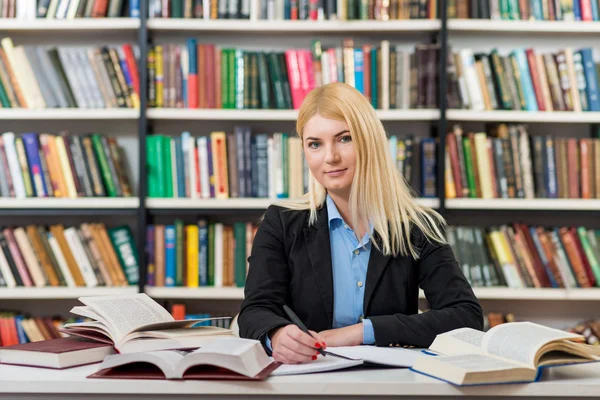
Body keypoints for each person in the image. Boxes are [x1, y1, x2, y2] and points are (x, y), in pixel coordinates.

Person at [238, 82, 483, 365]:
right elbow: (255, 311)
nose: (330, 157)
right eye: (315, 144)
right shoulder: (280, 223)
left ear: (369, 141)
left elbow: (466, 316)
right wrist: (278, 335)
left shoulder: (417, 226)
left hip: (389, 384)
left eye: (344, 138)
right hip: (306, 381)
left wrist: (361, 332)